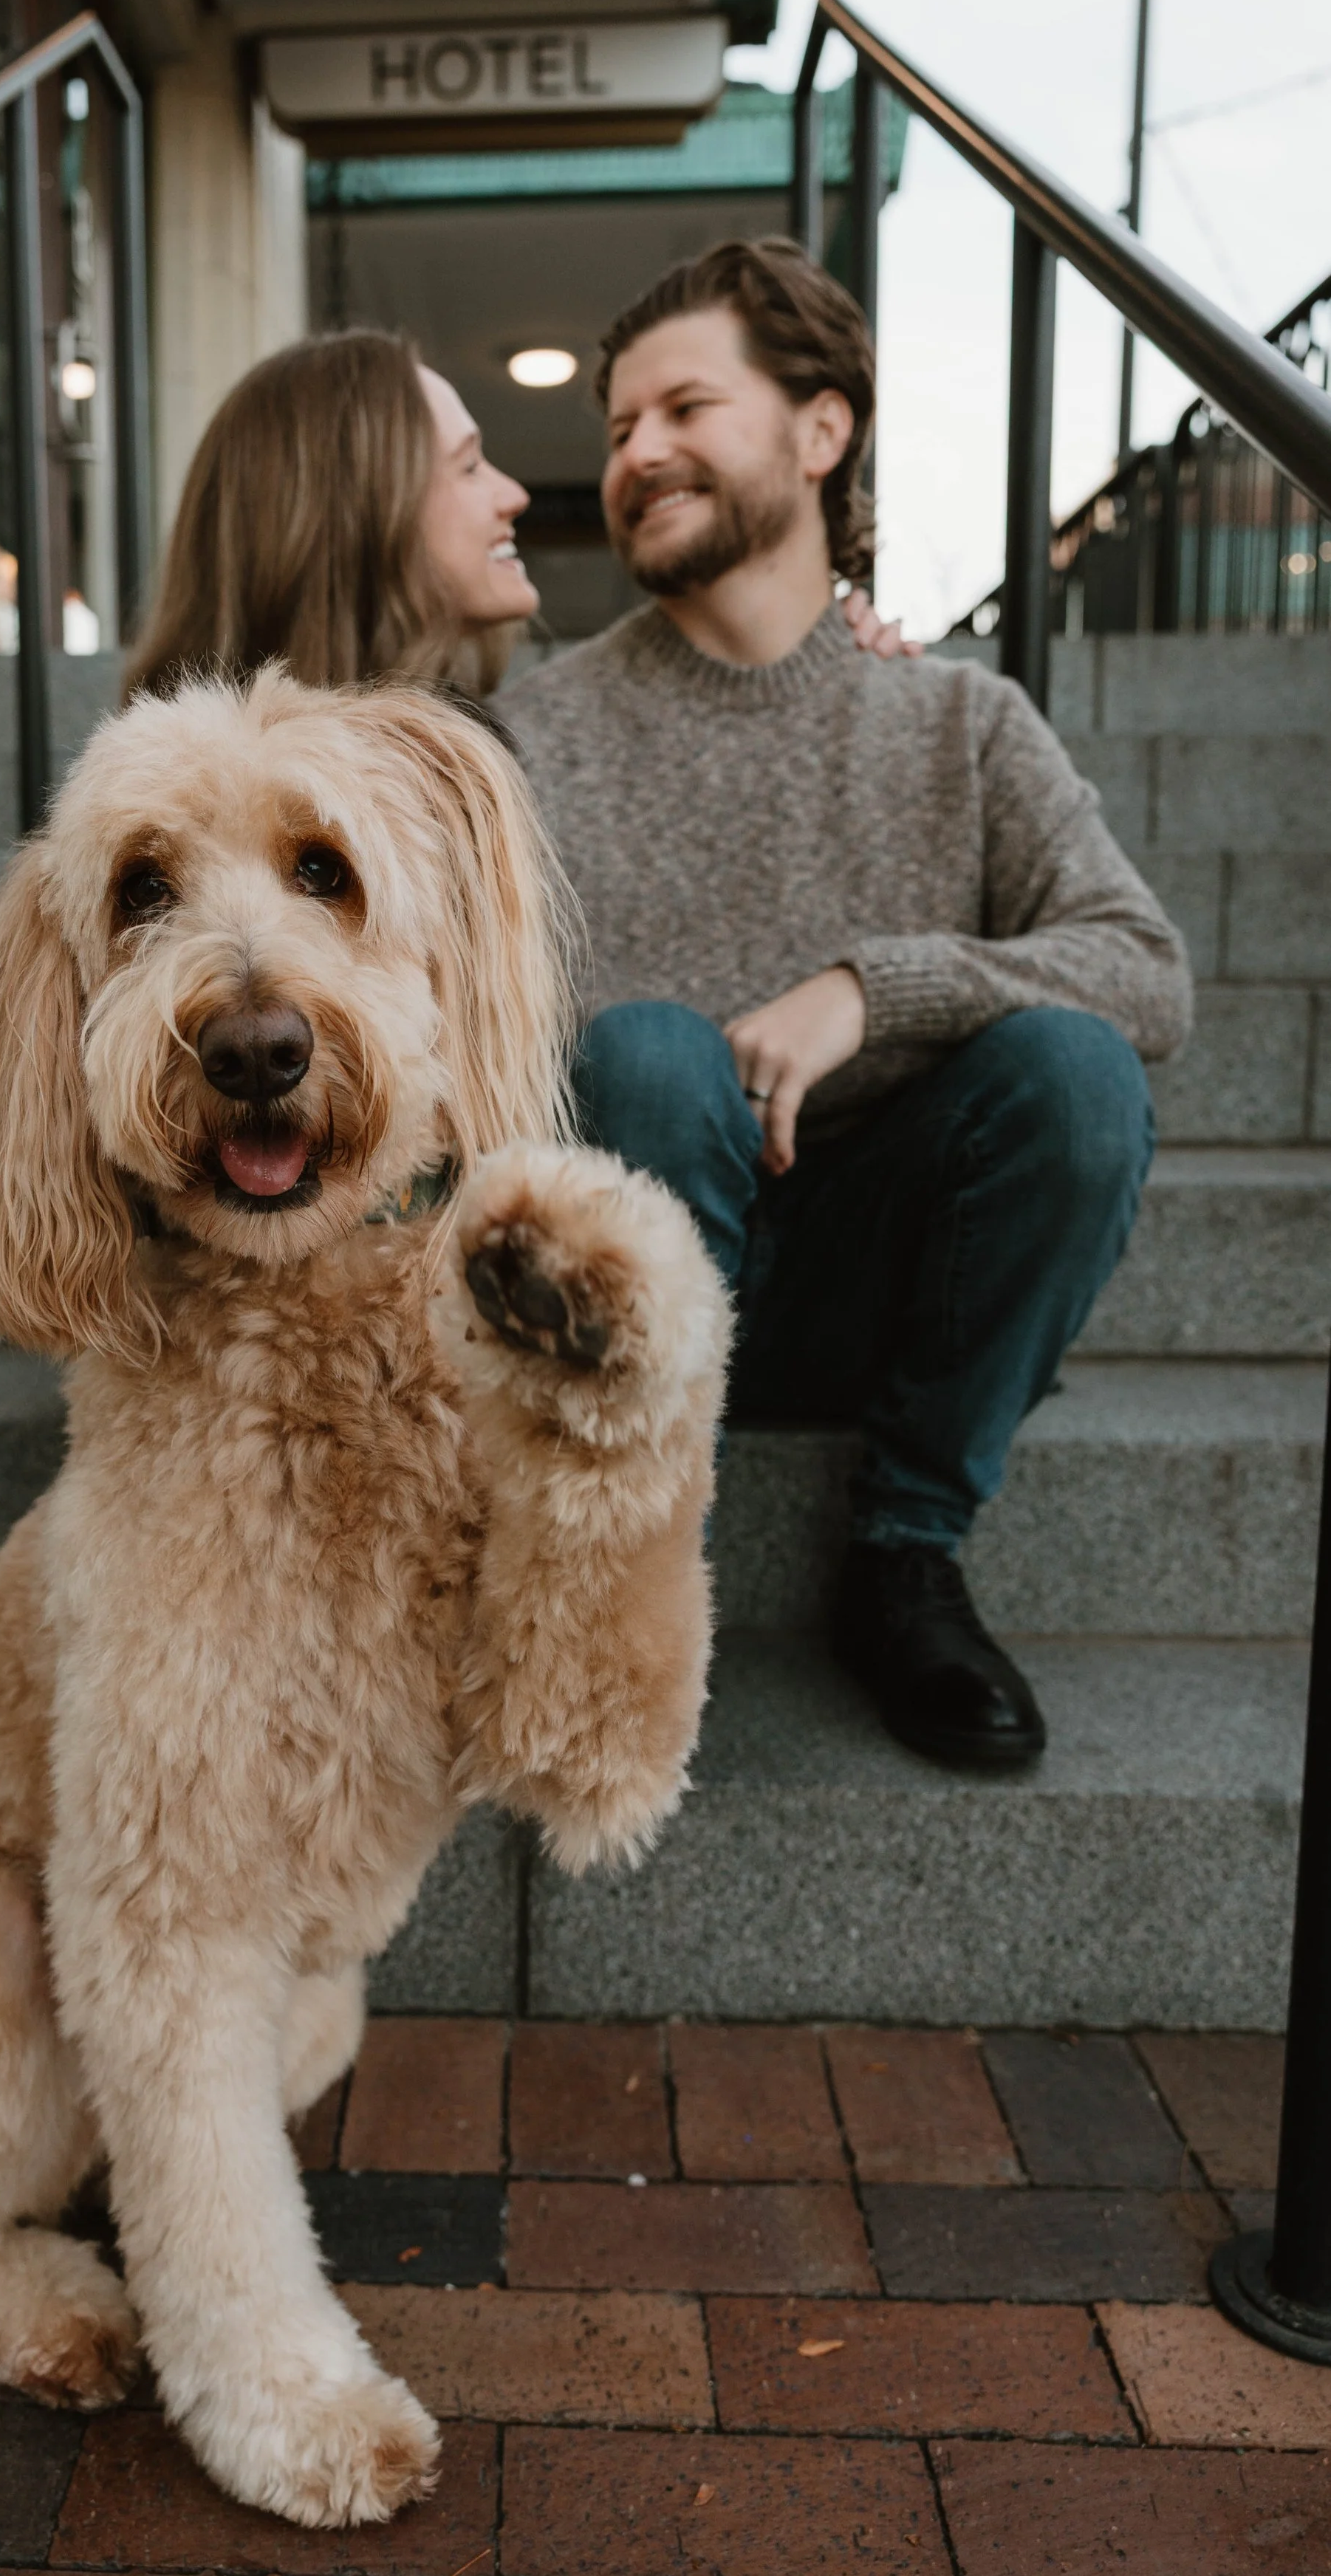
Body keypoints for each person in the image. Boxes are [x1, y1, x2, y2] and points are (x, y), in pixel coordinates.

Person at [497, 237, 1193, 1773]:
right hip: (639, 1283)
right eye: (616, 429)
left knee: (1072, 1073)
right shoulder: (531, 731)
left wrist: (868, 991)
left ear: (821, 432)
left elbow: (1142, 965)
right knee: (646, 1052)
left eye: (684, 407)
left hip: (893, 1283)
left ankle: (902, 1552)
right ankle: (631, 1557)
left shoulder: (956, 719)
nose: (636, 454)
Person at [126, 327, 909, 703]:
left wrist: (816, 652)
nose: (513, 494)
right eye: (469, 465)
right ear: (363, 514)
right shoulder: (171, 809)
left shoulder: (490, 746)